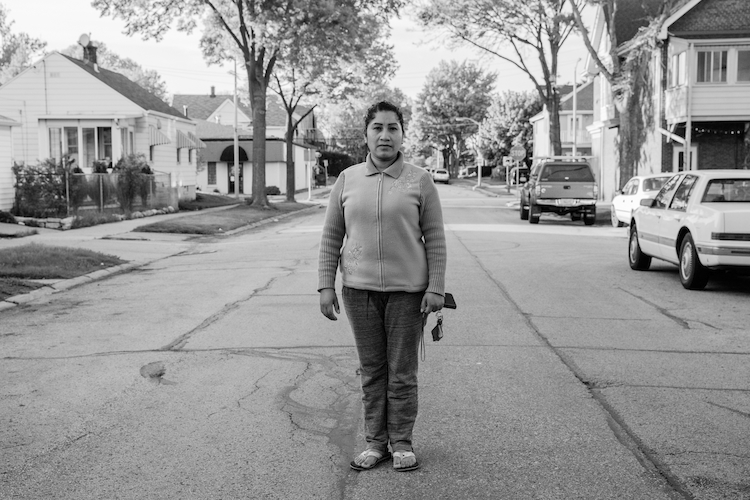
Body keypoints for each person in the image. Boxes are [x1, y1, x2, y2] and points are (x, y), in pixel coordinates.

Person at [318, 101, 447, 472]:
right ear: (366, 135)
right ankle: (376, 443)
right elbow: (331, 235)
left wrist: (435, 287)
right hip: (358, 292)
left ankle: (402, 442)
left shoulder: (419, 180)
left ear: (403, 134)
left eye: (393, 127)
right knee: (372, 371)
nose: (385, 135)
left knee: (402, 372)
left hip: (408, 294)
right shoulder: (348, 179)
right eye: (377, 127)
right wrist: (326, 284)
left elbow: (435, 237)